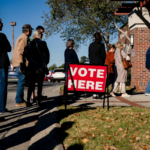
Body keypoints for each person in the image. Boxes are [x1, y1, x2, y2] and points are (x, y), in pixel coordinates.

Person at [25, 30, 50, 106]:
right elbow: (47, 55)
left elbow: (26, 55)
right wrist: (45, 63)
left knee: (31, 84)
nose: (41, 35)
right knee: (39, 84)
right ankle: (38, 100)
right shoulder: (43, 43)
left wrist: (31, 61)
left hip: (32, 66)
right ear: (39, 35)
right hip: (40, 66)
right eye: (41, 34)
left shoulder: (30, 44)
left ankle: (28, 100)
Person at [12, 24, 34, 107]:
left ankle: (20, 99)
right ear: (28, 30)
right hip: (20, 63)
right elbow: (20, 51)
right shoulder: (24, 37)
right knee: (21, 82)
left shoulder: (21, 37)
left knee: (21, 82)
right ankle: (18, 101)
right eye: (30, 30)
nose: (31, 31)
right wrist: (21, 64)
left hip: (17, 63)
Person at [88, 32, 106, 100]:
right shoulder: (101, 45)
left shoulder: (91, 45)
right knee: (99, 79)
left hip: (92, 63)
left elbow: (89, 55)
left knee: (93, 79)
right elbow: (103, 55)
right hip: (100, 63)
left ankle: (94, 94)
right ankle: (99, 93)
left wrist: (91, 61)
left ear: (94, 38)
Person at [0, 18, 11, 114]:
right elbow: (9, 48)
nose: (2, 25)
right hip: (2, 64)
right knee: (3, 87)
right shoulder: (2, 36)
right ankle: (2, 108)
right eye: (1, 23)